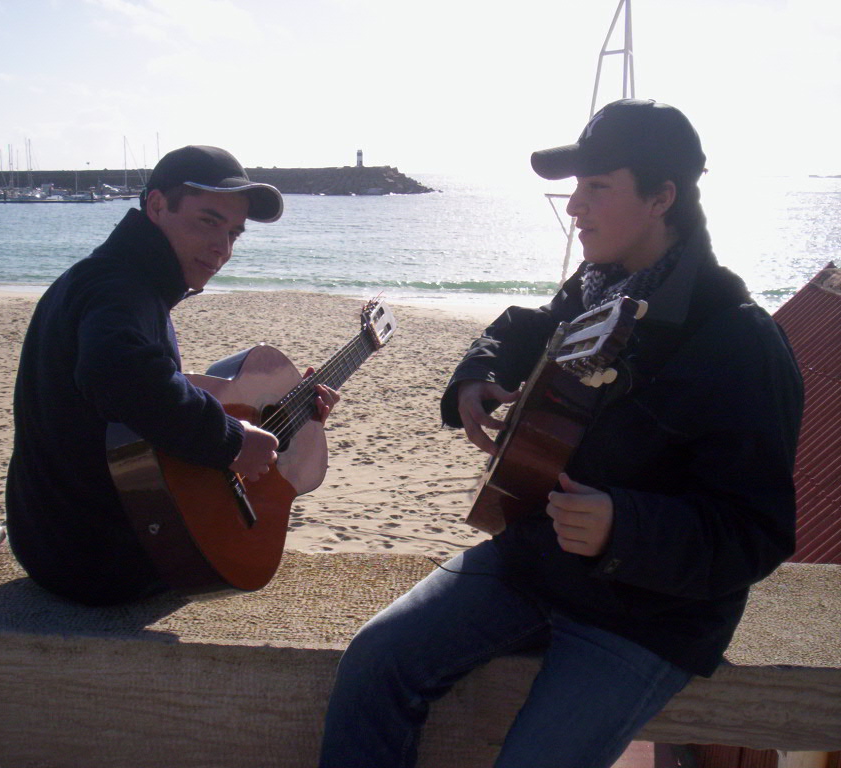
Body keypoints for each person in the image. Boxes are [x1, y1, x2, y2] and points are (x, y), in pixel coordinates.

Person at [318, 99, 804, 767]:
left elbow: (758, 532)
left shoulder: (740, 341)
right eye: (576, 187)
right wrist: (475, 376)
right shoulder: (598, 287)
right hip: (535, 561)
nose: (574, 207)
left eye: (597, 187)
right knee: (376, 661)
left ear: (663, 196)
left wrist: (622, 527)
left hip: (648, 613)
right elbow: (522, 328)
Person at [5, 145, 338, 606]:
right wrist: (230, 440)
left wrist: (285, 415)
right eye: (208, 221)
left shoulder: (124, 281)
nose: (222, 248)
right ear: (158, 206)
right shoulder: (117, 287)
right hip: (92, 560)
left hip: (65, 543)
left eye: (234, 234)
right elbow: (116, 374)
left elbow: (143, 392)